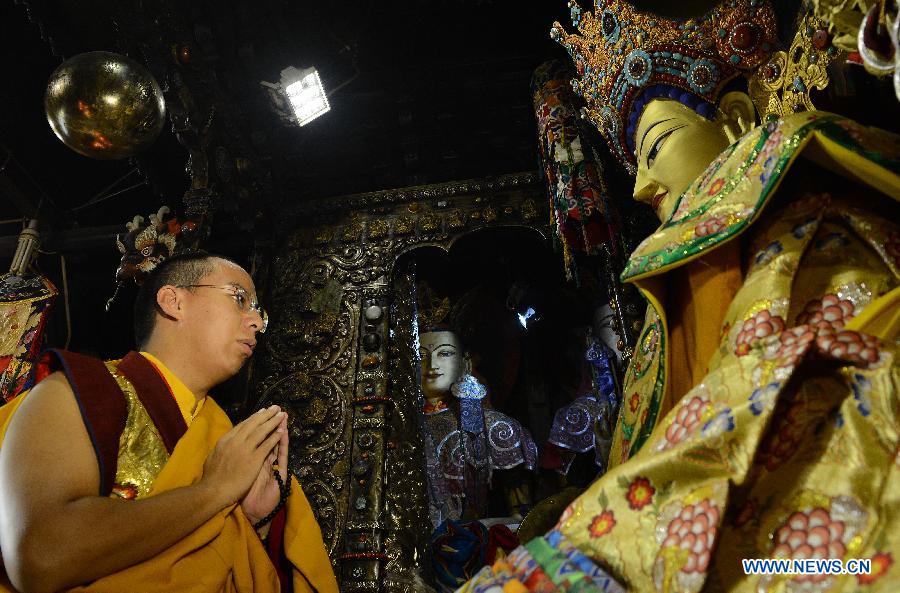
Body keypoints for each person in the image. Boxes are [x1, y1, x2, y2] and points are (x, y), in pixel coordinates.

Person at [456, 0, 900, 591]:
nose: (641, 186)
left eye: (656, 144)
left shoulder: (808, 228)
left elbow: (749, 418)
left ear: (737, 120)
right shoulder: (687, 284)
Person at [0, 251, 339, 593]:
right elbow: (42, 557)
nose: (255, 322)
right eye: (240, 299)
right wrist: (215, 491)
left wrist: (251, 523)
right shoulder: (89, 391)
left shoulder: (233, 446)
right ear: (173, 301)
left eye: (259, 314)